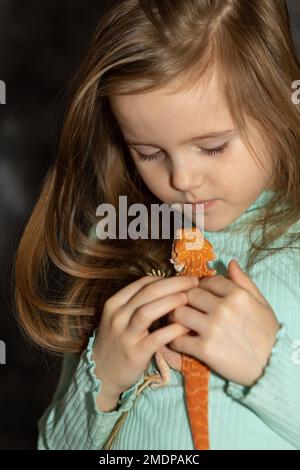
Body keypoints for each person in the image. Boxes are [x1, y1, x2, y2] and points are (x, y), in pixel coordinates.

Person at [14, 0, 300, 449]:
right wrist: (102, 381)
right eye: (148, 152)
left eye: (212, 146)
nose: (181, 180)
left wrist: (272, 364)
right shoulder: (120, 240)